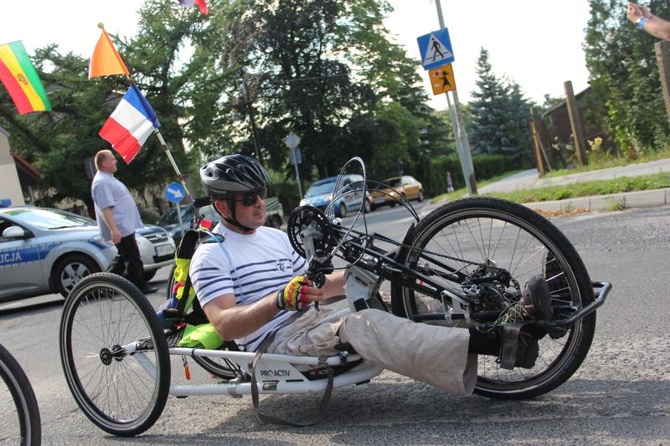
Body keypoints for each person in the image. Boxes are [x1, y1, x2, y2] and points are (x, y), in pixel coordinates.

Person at [189, 153, 552, 393]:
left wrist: (368, 272)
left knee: (402, 293)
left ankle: (521, 314)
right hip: (278, 346)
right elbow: (225, 324)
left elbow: (317, 285)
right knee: (364, 324)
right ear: (222, 205)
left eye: (261, 195)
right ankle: (504, 343)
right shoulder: (210, 255)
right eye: (249, 199)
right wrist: (279, 300)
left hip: (316, 320)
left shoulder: (272, 236)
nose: (259, 204)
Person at [91, 149, 158, 294]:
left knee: (124, 258)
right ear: (104, 163)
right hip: (120, 227)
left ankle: (104, 285)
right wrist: (114, 229)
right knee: (132, 258)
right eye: (112, 159)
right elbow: (105, 208)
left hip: (124, 226)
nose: (116, 161)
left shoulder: (108, 178)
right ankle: (139, 286)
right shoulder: (102, 182)